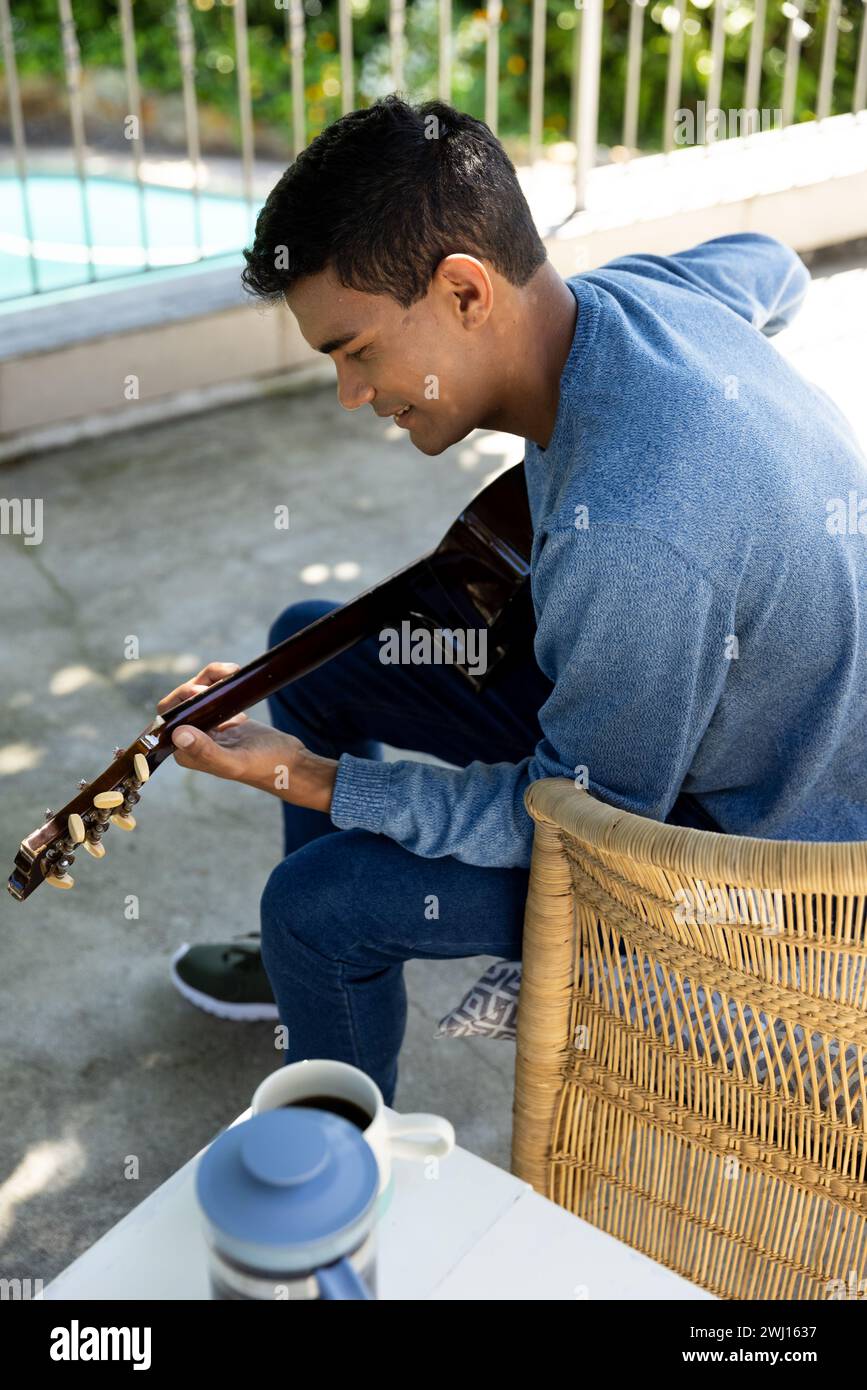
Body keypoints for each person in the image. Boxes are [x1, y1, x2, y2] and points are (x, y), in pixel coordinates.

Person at [165, 96, 867, 1106]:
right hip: (674, 719)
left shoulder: (630, 529)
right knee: (304, 650)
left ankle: (333, 1204)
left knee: (316, 902)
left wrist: (317, 782)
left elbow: (578, 831)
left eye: (356, 350)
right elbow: (771, 262)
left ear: (463, 290)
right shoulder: (637, 298)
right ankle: (309, 992)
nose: (351, 395)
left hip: (741, 855)